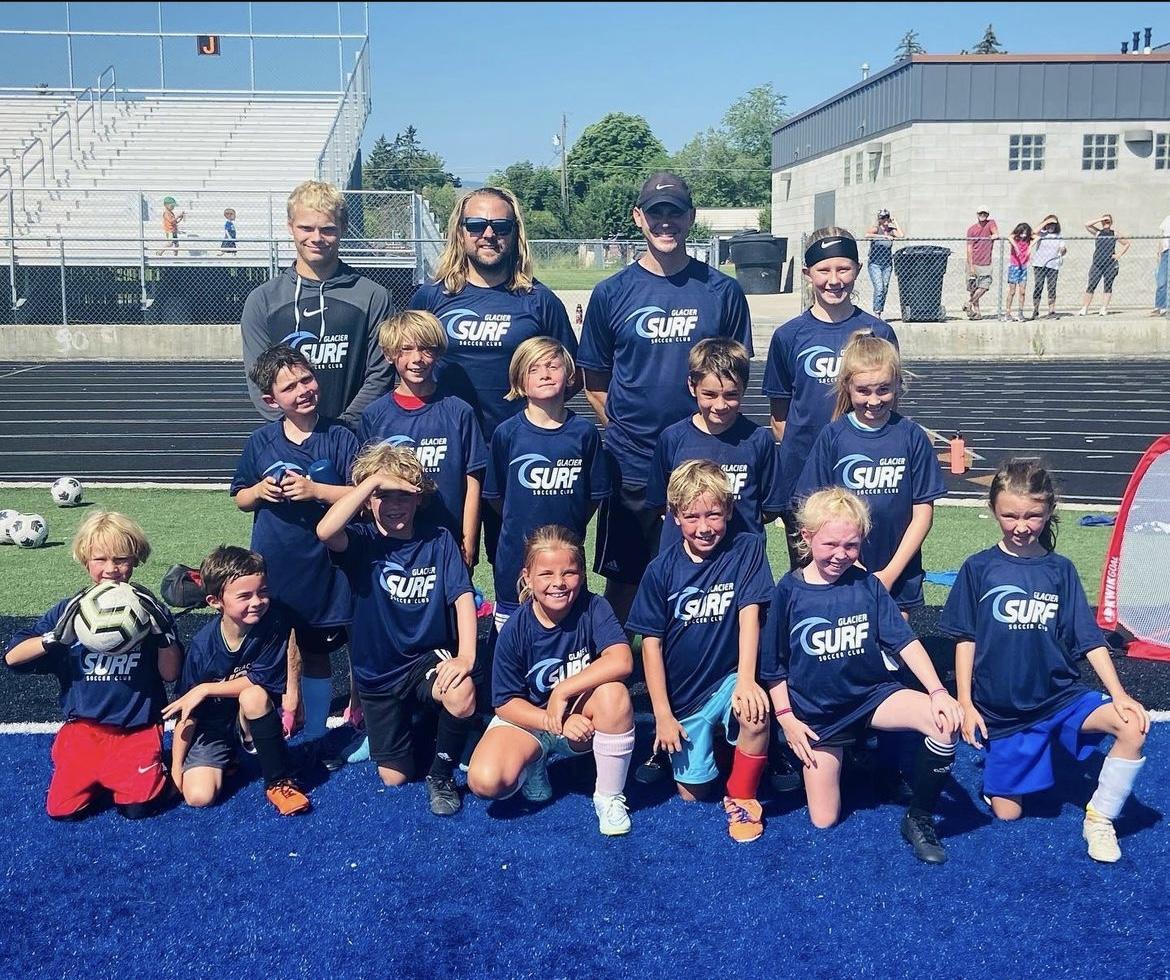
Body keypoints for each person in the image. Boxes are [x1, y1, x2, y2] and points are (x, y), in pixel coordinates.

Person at [940, 459, 1149, 863]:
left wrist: (1119, 693)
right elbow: (965, 639)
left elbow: (1089, 639)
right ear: (993, 510)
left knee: (1132, 726)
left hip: (1060, 697)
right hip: (1006, 710)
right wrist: (965, 701)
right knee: (1007, 814)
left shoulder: (1060, 570)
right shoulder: (979, 568)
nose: (1021, 526)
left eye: (1033, 516)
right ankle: (1011, 771)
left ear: (1049, 510)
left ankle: (1100, 818)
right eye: (1010, 515)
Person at [578, 172, 753, 622]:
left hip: (708, 462)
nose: (665, 222)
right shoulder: (611, 293)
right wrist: (628, 433)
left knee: (713, 577)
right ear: (639, 217)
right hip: (632, 464)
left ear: (690, 217)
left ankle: (703, 658)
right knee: (626, 581)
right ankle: (619, 660)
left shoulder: (722, 291)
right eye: (656, 212)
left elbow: (735, 373)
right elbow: (594, 381)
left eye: (675, 212)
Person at [759, 488, 963, 864]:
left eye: (851, 545)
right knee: (824, 820)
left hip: (871, 696)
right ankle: (850, 755)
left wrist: (938, 691)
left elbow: (904, 641)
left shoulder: (867, 584)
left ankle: (918, 818)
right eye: (830, 544)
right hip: (819, 714)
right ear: (806, 536)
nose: (841, 554)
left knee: (943, 722)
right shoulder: (789, 591)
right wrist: (787, 719)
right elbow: (773, 667)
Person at [409, 186, 577, 567]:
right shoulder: (430, 298)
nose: (488, 234)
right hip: (447, 457)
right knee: (443, 566)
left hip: (520, 455)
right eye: (476, 224)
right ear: (460, 231)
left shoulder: (539, 301)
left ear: (515, 233)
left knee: (528, 567)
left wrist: (534, 424)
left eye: (500, 226)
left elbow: (570, 376)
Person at [317, 443, 479, 817]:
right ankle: (424, 726)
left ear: (418, 498)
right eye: (383, 496)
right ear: (367, 500)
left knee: (461, 693)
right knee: (394, 777)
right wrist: (372, 481)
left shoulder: (438, 539)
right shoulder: (361, 540)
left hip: (424, 660)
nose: (394, 505)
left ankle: (441, 774)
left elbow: (462, 597)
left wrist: (466, 656)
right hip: (377, 673)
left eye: (403, 495)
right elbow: (325, 530)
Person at [626, 461, 774, 843]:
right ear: (674, 516)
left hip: (728, 680)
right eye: (692, 517)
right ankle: (720, 746)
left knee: (754, 712)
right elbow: (651, 645)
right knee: (693, 794)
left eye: (713, 515)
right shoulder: (660, 570)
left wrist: (746, 680)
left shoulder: (746, 549)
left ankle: (742, 796)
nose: (704, 527)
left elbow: (750, 616)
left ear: (729, 510)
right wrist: (662, 715)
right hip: (685, 699)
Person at [5, 512, 181, 820]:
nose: (111, 569)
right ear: (85, 560)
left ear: (135, 560)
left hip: (136, 728)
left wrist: (164, 634)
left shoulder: (147, 608)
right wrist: (54, 638)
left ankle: (144, 773)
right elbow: (12, 658)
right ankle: (99, 772)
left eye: (121, 559)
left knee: (138, 808)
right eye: (100, 559)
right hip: (85, 729)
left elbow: (171, 674)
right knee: (63, 811)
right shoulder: (70, 609)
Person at [467, 525, 636, 836]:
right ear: (528, 577)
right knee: (485, 781)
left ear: (582, 575)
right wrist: (552, 721)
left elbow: (622, 660)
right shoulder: (515, 628)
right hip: (530, 721)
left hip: (579, 719)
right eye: (546, 574)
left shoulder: (594, 607)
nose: (558, 582)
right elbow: (504, 703)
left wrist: (563, 691)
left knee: (615, 695)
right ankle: (534, 759)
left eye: (569, 572)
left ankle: (609, 797)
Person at [232, 344, 359, 750]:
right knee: (264, 649)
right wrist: (258, 491)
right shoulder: (261, 441)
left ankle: (319, 730)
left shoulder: (340, 436)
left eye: (307, 379)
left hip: (325, 564)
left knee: (316, 648)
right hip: (275, 562)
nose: (303, 390)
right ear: (271, 400)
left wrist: (316, 490)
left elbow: (360, 493)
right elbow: (239, 497)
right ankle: (262, 722)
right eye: (290, 387)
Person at [762, 226, 898, 567]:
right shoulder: (788, 336)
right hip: (805, 480)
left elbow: (887, 405)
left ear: (858, 270)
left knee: (863, 574)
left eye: (843, 269)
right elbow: (780, 416)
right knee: (810, 576)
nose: (834, 280)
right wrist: (809, 462)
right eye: (824, 270)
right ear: (808, 273)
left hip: (862, 477)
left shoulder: (879, 332)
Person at [795, 331, 945, 617]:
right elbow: (812, 508)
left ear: (898, 384)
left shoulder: (911, 436)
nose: (874, 400)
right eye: (864, 391)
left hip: (899, 575)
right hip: (842, 570)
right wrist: (852, 564)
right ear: (847, 386)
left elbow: (923, 514)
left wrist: (889, 574)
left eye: (883, 389)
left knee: (895, 642)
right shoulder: (833, 436)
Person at [165, 546, 311, 816]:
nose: (257, 602)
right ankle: (228, 759)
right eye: (245, 596)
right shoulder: (202, 647)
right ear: (214, 601)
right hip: (213, 727)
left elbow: (258, 679)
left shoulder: (273, 624)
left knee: (253, 695)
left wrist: (206, 688)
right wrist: (176, 769)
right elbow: (188, 714)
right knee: (198, 797)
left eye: (262, 592)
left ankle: (279, 782)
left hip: (251, 717)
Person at [241, 179, 394, 430]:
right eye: (306, 228)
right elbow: (260, 380)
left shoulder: (373, 296)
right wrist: (296, 432)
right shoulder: (263, 300)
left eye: (327, 229)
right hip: (290, 440)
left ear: (343, 228)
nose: (317, 238)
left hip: (354, 436)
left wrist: (341, 431)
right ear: (290, 227)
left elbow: (380, 375)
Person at [483, 337, 610, 630]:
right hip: (516, 561)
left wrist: (569, 526)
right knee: (514, 638)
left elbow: (592, 497)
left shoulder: (584, 433)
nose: (545, 374)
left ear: (569, 375)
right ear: (519, 379)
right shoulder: (507, 434)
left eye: (553, 366)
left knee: (567, 635)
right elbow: (496, 496)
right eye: (534, 368)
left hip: (566, 561)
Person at [358, 310, 487, 568]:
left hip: (448, 542)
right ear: (389, 354)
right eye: (405, 349)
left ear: (438, 353)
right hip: (391, 545)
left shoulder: (459, 412)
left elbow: (472, 482)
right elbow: (364, 486)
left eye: (426, 349)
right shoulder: (375, 415)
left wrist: (469, 541)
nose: (417, 359)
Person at [646, 337, 782, 551]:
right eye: (709, 394)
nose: (720, 405)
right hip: (684, 557)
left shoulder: (758, 439)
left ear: (744, 388)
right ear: (692, 386)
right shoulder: (672, 439)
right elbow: (660, 503)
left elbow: (769, 508)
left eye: (731, 395)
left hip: (740, 555)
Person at [1076, 214, 1129, 317]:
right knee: (1091, 285)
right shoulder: (1098, 232)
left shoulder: (1114, 233)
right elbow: (1087, 225)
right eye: (1104, 221)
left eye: (1108, 221)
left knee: (1108, 286)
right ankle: (1084, 308)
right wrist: (1101, 219)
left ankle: (1104, 308)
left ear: (1111, 222)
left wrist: (1119, 255)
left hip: (1110, 264)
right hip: (1097, 264)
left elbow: (1126, 243)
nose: (1106, 223)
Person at [963, 206, 998, 320]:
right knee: (973, 288)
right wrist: (971, 266)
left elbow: (996, 234)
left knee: (984, 286)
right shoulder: (971, 229)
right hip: (974, 262)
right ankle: (977, 313)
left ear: (987, 215)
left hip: (986, 263)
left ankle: (968, 303)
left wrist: (992, 237)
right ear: (977, 214)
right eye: (980, 213)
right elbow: (969, 248)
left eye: (984, 213)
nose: (982, 215)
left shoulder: (990, 223)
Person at [865, 209, 902, 317]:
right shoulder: (876, 229)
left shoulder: (891, 230)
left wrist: (895, 222)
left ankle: (879, 311)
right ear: (879, 219)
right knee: (879, 288)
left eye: (887, 217)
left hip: (887, 264)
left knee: (885, 288)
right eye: (882, 218)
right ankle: (876, 313)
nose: (885, 219)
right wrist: (883, 236)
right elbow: (867, 235)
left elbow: (901, 235)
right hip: (875, 264)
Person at [1031, 215, 1066, 320]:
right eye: (1049, 224)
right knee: (1038, 286)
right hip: (1039, 264)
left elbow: (1063, 248)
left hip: (1053, 265)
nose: (1051, 226)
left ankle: (1051, 311)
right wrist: (1046, 222)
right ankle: (1036, 309)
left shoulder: (1058, 236)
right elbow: (1033, 232)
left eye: (1053, 224)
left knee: (1052, 287)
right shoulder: (1041, 233)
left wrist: (1063, 250)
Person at [1004, 222, 1033, 322]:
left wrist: (1030, 246)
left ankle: (1020, 313)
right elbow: (1010, 237)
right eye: (1021, 233)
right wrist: (1016, 247)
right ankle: (1008, 313)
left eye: (1025, 233)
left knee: (1022, 292)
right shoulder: (1015, 238)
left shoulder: (1028, 239)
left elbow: (1037, 236)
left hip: (1023, 267)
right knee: (1012, 291)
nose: (1023, 235)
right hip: (1014, 266)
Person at [1154, 210, 1170, 316]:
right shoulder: (1167, 219)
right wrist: (1159, 253)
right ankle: (1160, 307)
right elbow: (1162, 237)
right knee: (1161, 280)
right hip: (1165, 252)